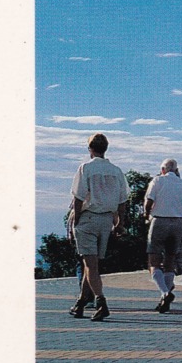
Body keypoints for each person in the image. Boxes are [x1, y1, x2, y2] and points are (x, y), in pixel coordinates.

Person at [69, 133, 129, 321]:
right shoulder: (116, 171)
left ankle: (101, 302)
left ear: (90, 149)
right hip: (106, 220)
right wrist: (120, 223)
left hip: (88, 217)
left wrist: (76, 220)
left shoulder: (85, 168)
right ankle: (80, 303)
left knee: (90, 264)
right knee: (93, 264)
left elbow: (78, 197)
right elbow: (123, 200)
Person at [144, 158, 182, 312]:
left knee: (153, 262)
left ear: (163, 170)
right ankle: (164, 297)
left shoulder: (157, 181)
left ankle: (164, 292)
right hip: (178, 223)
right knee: (170, 261)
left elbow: (149, 201)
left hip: (159, 221)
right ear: (177, 170)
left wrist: (147, 215)